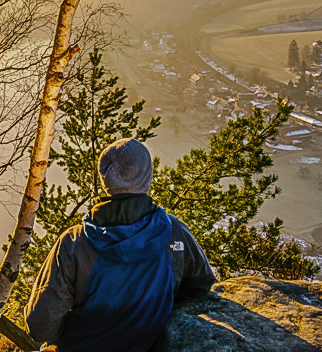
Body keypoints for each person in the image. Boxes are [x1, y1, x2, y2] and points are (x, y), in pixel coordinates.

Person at [26, 139, 216, 352]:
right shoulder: (173, 233)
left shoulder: (74, 243)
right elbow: (201, 284)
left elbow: (41, 326)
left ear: (105, 177)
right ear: (147, 178)